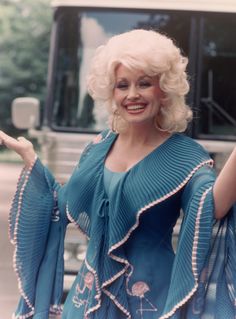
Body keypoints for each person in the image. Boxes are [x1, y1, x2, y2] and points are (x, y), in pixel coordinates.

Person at [0, 29, 236, 319]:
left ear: (164, 89)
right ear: (111, 91)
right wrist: (31, 159)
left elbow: (213, 207)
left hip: (151, 301)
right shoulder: (99, 146)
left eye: (145, 83)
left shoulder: (186, 156)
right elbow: (62, 203)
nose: (132, 94)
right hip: (86, 301)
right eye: (122, 85)